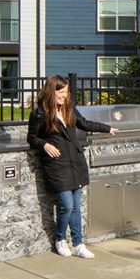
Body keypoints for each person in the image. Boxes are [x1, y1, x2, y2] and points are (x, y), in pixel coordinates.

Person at [27, 75, 117, 259]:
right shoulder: (39, 114)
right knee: (67, 206)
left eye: (66, 92)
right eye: (61, 92)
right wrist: (44, 145)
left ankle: (78, 244)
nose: (64, 95)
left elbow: (84, 123)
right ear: (51, 92)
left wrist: (107, 128)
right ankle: (60, 239)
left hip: (75, 162)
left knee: (76, 206)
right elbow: (31, 138)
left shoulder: (68, 108)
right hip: (57, 165)